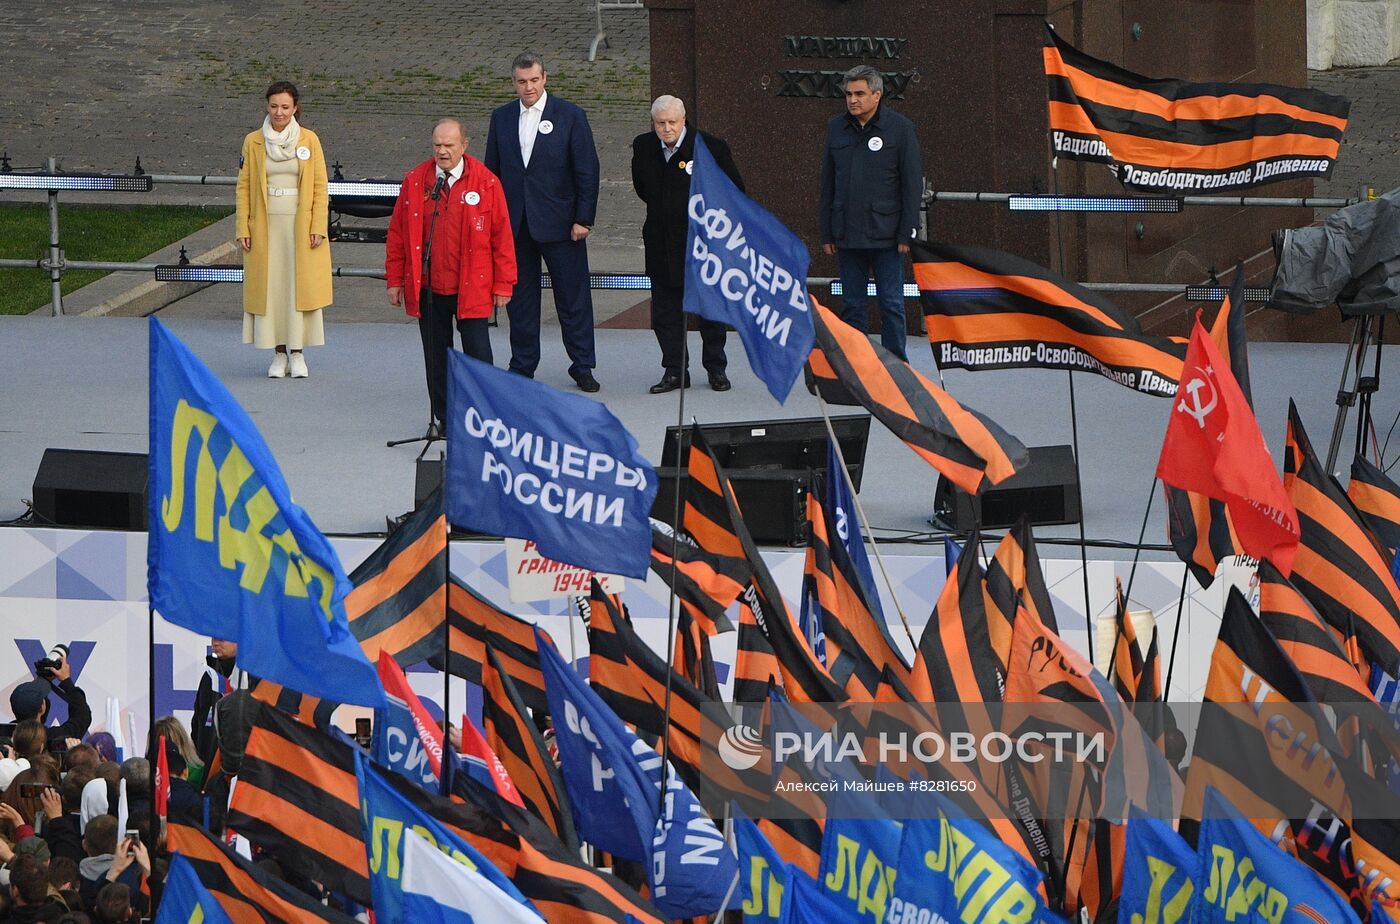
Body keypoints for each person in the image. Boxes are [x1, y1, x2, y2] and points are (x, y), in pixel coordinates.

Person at [386, 119, 516, 436]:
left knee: (478, 357)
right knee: (436, 357)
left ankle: (484, 419)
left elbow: (502, 237)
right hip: (430, 287)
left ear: (464, 145)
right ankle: (444, 417)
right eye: (437, 145)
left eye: (449, 145)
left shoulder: (486, 182)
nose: (442, 152)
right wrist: (395, 279)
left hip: (472, 287)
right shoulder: (416, 180)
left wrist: (504, 283)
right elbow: (398, 234)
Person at [485, 52, 602, 392]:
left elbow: (587, 169)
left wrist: (584, 218)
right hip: (516, 225)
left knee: (573, 299)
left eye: (534, 80)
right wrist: (494, 222)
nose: (529, 87)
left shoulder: (570, 115)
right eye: (522, 82)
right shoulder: (502, 117)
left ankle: (582, 365)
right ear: (513, 83)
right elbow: (492, 173)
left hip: (563, 224)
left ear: (545, 78)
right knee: (521, 300)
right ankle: (522, 365)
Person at [631, 95, 744, 394]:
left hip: (703, 245)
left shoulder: (711, 147)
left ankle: (716, 369)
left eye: (672, 122)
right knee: (666, 313)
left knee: (710, 311)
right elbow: (643, 188)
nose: (666, 128)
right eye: (660, 123)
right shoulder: (643, 146)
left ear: (684, 120)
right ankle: (675, 370)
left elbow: (734, 192)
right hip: (661, 242)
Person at [818, 64, 923, 361]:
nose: (853, 100)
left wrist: (907, 231)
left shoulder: (900, 128)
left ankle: (896, 367)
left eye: (860, 94)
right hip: (847, 233)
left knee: (892, 303)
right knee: (852, 304)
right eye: (849, 94)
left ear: (877, 95)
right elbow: (827, 183)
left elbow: (911, 184)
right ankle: (858, 366)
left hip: (887, 234)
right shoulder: (836, 128)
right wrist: (826, 231)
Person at [236, 80, 333, 379]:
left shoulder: (309, 140)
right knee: (272, 288)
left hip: (299, 225)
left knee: (297, 287)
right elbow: (243, 186)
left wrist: (318, 225)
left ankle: (298, 352)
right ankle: (279, 353)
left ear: (295, 108)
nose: (279, 112)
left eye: (285, 107)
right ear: (267, 106)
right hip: (265, 225)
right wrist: (243, 227)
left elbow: (320, 186)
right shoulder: (253, 141)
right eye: (274, 106)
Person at [10, 655, 90, 747]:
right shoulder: (52, 739)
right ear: (42, 708)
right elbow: (82, 717)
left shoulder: (6, 738)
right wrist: (66, 681)